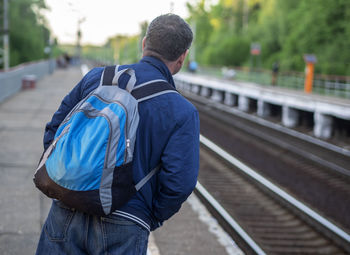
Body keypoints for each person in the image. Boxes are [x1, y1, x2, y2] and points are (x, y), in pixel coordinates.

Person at [36, 14, 200, 255]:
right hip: (126, 222)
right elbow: (179, 183)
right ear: (183, 57)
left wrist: (65, 178)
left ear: (144, 43)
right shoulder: (182, 111)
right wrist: (148, 215)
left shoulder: (96, 78)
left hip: (65, 211)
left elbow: (55, 130)